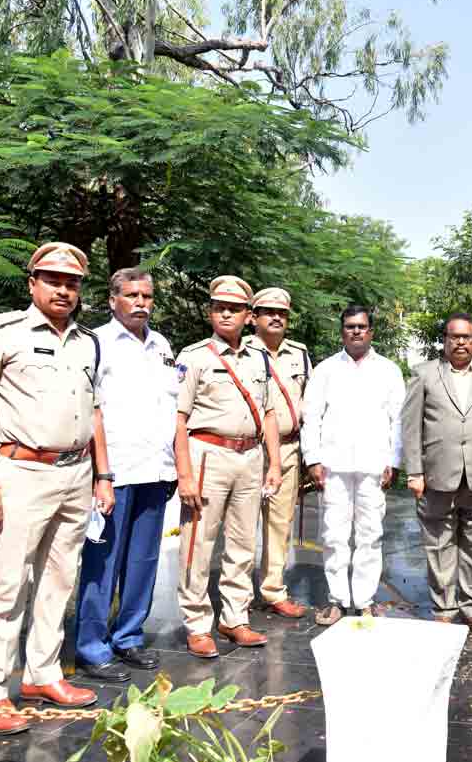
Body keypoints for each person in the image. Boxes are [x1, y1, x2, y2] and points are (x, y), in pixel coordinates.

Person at [0, 242, 115, 734]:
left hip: (75, 474)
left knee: (58, 581)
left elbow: (94, 412)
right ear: (32, 283)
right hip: (20, 473)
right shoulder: (0, 331)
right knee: (8, 584)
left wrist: (101, 474)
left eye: (71, 283)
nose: (63, 289)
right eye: (52, 279)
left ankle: (42, 674)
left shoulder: (87, 342)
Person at [73, 268, 177, 682]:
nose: (141, 303)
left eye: (147, 296)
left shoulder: (162, 345)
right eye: (132, 295)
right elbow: (92, 411)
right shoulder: (96, 343)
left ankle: (129, 636)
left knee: (143, 562)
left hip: (155, 470)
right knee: (103, 562)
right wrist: (103, 473)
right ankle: (91, 646)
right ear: (113, 299)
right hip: (113, 473)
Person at [174, 276, 282, 659]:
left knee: (242, 543)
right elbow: (179, 418)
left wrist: (275, 462)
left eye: (234, 308)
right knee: (198, 544)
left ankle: (234, 617)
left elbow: (268, 412)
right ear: (210, 311)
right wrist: (185, 474)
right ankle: (197, 623)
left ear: (248, 316)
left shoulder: (259, 359)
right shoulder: (195, 356)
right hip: (208, 454)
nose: (225, 312)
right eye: (219, 306)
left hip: (250, 457)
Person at [401, 312, 472, 635]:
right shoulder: (424, 374)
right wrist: (414, 471)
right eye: (454, 336)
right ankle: (444, 607)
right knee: (438, 542)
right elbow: (411, 428)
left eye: (466, 337)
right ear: (445, 340)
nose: (460, 342)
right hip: (436, 475)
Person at [302, 305, 405, 626]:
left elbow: (398, 420)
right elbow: (312, 416)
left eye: (362, 326)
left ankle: (363, 600)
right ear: (342, 331)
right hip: (334, 466)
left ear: (371, 332)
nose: (356, 331)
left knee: (370, 535)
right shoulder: (325, 370)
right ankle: (336, 600)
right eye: (350, 326)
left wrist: (394, 460)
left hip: (374, 465)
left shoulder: (388, 371)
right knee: (333, 535)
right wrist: (313, 459)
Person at [245, 287, 311, 619]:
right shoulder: (240, 351)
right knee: (241, 526)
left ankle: (273, 590)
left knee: (279, 524)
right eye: (268, 312)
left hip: (287, 448)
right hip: (249, 450)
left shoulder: (299, 354)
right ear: (253, 317)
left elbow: (309, 405)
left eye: (282, 313)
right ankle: (239, 597)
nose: (276, 318)